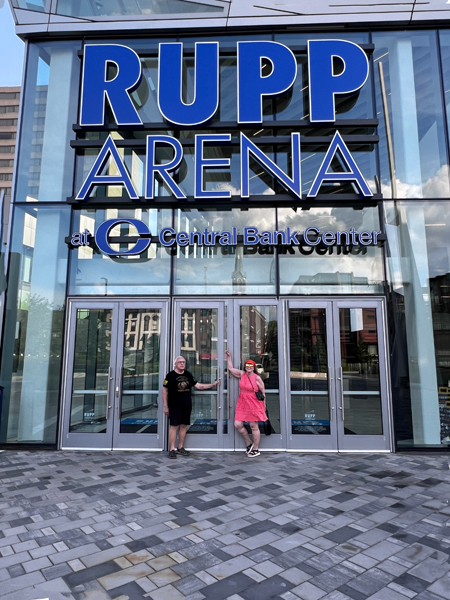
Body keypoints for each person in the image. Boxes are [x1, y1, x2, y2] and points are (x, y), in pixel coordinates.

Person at [163, 356, 220, 459]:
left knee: (184, 426)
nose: (182, 364)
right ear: (175, 364)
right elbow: (164, 391)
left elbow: (198, 386)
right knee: (174, 426)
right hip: (174, 405)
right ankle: (172, 449)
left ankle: (180, 447)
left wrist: (212, 385)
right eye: (179, 362)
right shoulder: (170, 375)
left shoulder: (188, 375)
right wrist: (165, 406)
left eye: (183, 362)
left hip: (186, 405)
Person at [226, 349, 266, 457]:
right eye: (247, 365)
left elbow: (263, 392)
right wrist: (229, 357)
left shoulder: (257, 378)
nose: (248, 367)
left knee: (254, 426)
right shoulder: (242, 374)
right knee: (238, 424)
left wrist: (264, 407)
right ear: (245, 367)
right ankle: (249, 443)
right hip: (242, 402)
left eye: (251, 366)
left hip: (254, 403)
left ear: (253, 367)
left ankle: (256, 449)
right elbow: (230, 368)